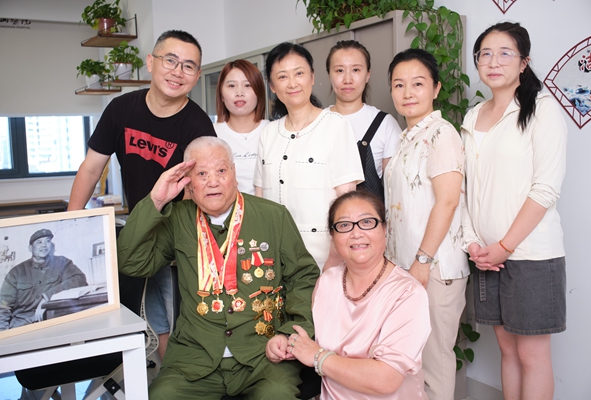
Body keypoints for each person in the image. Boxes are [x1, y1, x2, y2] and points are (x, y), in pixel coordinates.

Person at [117, 136, 319, 399]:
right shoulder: (178, 218)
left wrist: (288, 334)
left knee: (276, 395)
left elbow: (303, 278)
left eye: (221, 171)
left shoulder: (273, 216)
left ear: (234, 174)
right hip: (195, 357)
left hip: (263, 353)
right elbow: (131, 263)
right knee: (161, 395)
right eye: (202, 173)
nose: (213, 181)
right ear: (188, 181)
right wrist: (155, 201)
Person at [68, 30, 216, 359]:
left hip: (179, 237)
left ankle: (175, 376)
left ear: (197, 76)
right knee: (149, 318)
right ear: (151, 62)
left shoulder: (198, 125)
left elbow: (199, 190)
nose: (178, 72)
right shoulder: (121, 109)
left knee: (178, 317)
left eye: (189, 66)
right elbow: (91, 168)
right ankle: (160, 376)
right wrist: (72, 224)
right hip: (139, 230)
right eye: (170, 60)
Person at [462, 22, 567, 400]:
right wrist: (473, 243)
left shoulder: (542, 110)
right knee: (507, 350)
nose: (493, 62)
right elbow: (466, 188)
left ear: (524, 62)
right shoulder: (473, 116)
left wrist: (505, 246)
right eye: (485, 54)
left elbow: (545, 189)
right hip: (487, 257)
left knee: (531, 355)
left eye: (505, 53)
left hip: (530, 255)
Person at [281, 190, 430, 399]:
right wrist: (285, 344)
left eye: (367, 222)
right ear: (332, 236)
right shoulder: (327, 281)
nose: (356, 233)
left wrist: (317, 357)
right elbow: (308, 343)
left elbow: (386, 379)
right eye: (344, 225)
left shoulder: (408, 293)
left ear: (384, 229)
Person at [384, 48, 469, 400]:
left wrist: (422, 260)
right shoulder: (406, 138)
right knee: (410, 359)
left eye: (418, 84)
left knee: (435, 361)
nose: (408, 93)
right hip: (406, 267)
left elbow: (447, 201)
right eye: (399, 84)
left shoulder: (441, 134)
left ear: (435, 88)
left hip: (433, 267)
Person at [254, 42, 364, 270]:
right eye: (282, 77)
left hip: (323, 259)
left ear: (312, 77)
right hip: (275, 259)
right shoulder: (268, 133)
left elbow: (347, 201)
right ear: (272, 86)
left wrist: (334, 259)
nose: (292, 83)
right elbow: (260, 200)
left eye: (299, 73)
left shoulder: (336, 126)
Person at [325, 40, 401, 202]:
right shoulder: (316, 122)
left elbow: (395, 189)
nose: (347, 79)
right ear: (329, 75)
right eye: (339, 70)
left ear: (367, 75)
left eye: (356, 70)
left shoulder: (384, 124)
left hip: (369, 217)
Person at [0, 229, 88, 330]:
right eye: (39, 242)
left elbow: (80, 280)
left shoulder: (62, 262)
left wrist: (47, 297)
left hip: (52, 322)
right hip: (22, 326)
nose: (44, 245)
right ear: (30, 248)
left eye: (48, 241)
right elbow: (3, 307)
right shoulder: (16, 272)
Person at [214, 59, 269, 195]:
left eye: (247, 85)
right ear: (221, 95)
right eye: (231, 85)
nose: (239, 92)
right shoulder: (211, 134)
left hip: (268, 207)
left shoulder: (272, 131)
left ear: (258, 92)